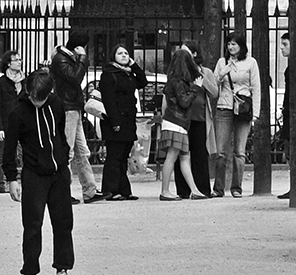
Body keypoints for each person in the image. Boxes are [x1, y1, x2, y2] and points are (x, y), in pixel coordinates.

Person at [2, 70, 74, 275]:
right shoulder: (18, 113)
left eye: (41, 97)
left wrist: (65, 152)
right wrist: (12, 178)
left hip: (59, 172)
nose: (36, 101)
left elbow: (60, 133)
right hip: (34, 174)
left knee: (63, 223)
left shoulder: (56, 104)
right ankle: (30, 273)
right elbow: (10, 148)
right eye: (33, 96)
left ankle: (62, 270)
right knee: (32, 226)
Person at [49, 32, 105, 204]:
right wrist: (83, 58)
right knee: (68, 152)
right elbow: (75, 78)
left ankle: (90, 190)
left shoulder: (65, 57)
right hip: (67, 108)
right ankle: (61, 192)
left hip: (73, 107)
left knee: (82, 152)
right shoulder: (61, 58)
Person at [212, 32, 261, 198]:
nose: (231, 47)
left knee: (239, 151)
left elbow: (256, 88)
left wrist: (256, 113)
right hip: (224, 107)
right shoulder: (222, 62)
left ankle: (236, 188)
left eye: (234, 44)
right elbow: (213, 86)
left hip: (243, 109)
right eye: (229, 44)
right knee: (221, 151)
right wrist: (220, 75)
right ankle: (218, 188)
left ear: (241, 45)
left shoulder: (251, 62)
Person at [98, 45, 148, 201]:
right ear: (113, 56)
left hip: (128, 121)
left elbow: (143, 81)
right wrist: (114, 121)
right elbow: (108, 100)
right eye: (120, 53)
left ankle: (124, 189)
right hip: (115, 120)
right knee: (114, 156)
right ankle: (110, 190)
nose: (124, 55)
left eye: (126, 53)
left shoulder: (128, 74)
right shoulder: (109, 74)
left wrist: (133, 65)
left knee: (123, 155)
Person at [158, 49, 208, 200]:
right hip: (177, 122)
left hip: (174, 121)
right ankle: (164, 191)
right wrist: (195, 89)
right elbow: (184, 102)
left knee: (184, 157)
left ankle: (194, 190)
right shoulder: (179, 82)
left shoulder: (173, 80)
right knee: (173, 156)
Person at [174, 41, 218, 199]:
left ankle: (203, 188)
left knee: (200, 152)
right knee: (181, 152)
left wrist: (202, 77)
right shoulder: (178, 70)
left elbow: (214, 92)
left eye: (185, 51)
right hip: (181, 117)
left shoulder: (205, 71)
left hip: (199, 117)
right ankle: (183, 190)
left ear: (194, 54)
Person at [0, 50, 25, 193]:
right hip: (7, 122)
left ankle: (25, 180)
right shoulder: (0, 82)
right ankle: (1, 182)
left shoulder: (25, 81)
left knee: (25, 153)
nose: (19, 62)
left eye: (20, 59)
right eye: (16, 60)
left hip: (23, 122)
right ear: (8, 63)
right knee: (4, 153)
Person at [278, 33, 292, 199]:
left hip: (292, 114)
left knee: (292, 151)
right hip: (289, 113)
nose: (281, 47)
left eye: (285, 44)